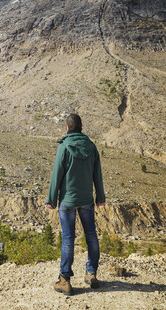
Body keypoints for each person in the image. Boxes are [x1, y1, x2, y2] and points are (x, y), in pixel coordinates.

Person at [45, 113, 105, 296]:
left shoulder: (64, 147)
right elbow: (98, 176)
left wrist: (51, 199)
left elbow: (57, 175)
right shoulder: (92, 147)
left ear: (68, 127)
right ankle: (91, 273)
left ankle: (65, 280)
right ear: (81, 127)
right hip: (86, 199)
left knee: (68, 239)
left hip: (68, 201)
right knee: (91, 236)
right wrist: (100, 197)